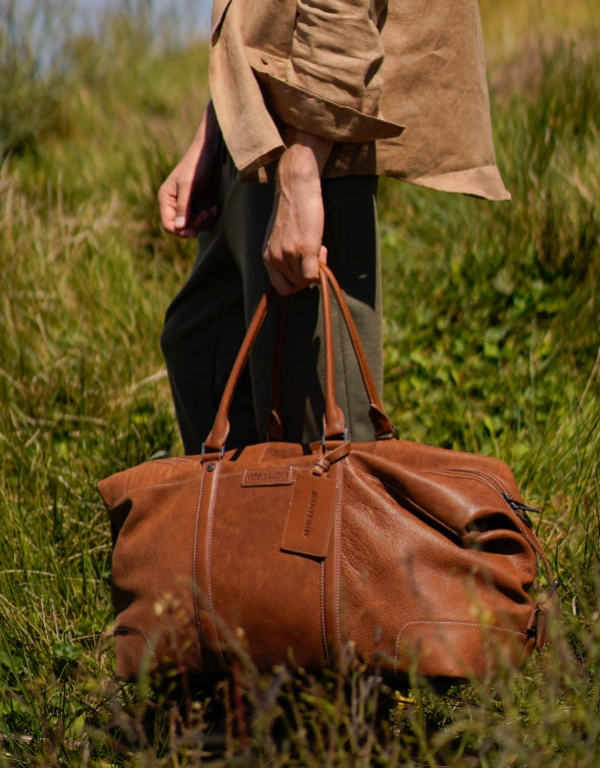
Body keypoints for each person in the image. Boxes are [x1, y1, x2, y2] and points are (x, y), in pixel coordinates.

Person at [158, 0, 509, 455]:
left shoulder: (306, 154)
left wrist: (305, 160)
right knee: (197, 346)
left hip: (312, 124)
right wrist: (218, 126)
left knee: (321, 448)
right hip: (261, 110)